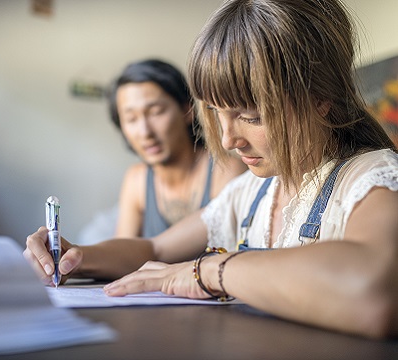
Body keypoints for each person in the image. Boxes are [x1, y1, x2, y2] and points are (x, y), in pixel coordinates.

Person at [25, 0, 398, 338]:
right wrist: (75, 257)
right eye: (217, 114)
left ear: (321, 100)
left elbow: (372, 291)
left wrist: (207, 271)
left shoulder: (370, 179)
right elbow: (155, 246)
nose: (228, 139)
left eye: (250, 116)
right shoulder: (251, 195)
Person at [80, 59, 246, 243]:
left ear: (188, 110)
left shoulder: (226, 172)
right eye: (131, 118)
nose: (145, 132)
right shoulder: (137, 180)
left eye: (156, 112)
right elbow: (122, 254)